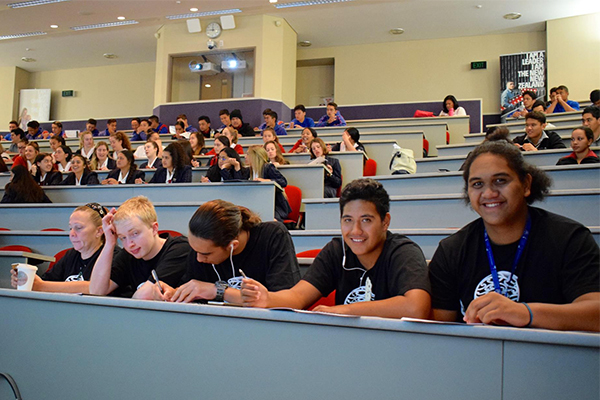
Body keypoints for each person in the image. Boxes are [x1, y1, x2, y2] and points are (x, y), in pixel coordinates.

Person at [428, 141, 599, 331]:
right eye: (477, 184)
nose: (489, 193)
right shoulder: (451, 250)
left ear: (526, 184)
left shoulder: (569, 238)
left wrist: (525, 313)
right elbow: (440, 330)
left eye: (500, 180)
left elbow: (596, 314)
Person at [241, 178, 431, 317]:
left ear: (385, 222)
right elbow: (297, 296)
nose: (355, 231)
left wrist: (341, 310)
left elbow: (416, 307)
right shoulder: (337, 250)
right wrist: (267, 298)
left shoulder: (403, 252)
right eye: (347, 220)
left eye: (366, 220)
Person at [162, 199, 301, 304]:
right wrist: (174, 295)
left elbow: (284, 302)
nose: (198, 258)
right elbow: (195, 297)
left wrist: (216, 291)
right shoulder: (201, 247)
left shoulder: (273, 236)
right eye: (194, 250)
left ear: (232, 246)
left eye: (206, 254)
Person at [89, 196, 190, 299]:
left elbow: (143, 296)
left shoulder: (179, 249)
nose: (129, 244)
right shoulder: (128, 254)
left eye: (135, 233)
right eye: (122, 238)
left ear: (154, 228)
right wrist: (110, 243)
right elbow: (96, 291)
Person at [9, 204, 116, 293]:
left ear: (99, 231)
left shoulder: (114, 256)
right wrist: (26, 281)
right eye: (70, 228)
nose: (72, 234)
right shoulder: (71, 255)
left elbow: (96, 288)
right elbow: (46, 281)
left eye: (78, 228)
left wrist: (40, 285)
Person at [245, 145, 292, 222]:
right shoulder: (248, 171)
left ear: (255, 156)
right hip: (255, 204)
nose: (245, 157)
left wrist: (267, 181)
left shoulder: (268, 167)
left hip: (274, 206)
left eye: (248, 154)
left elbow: (283, 182)